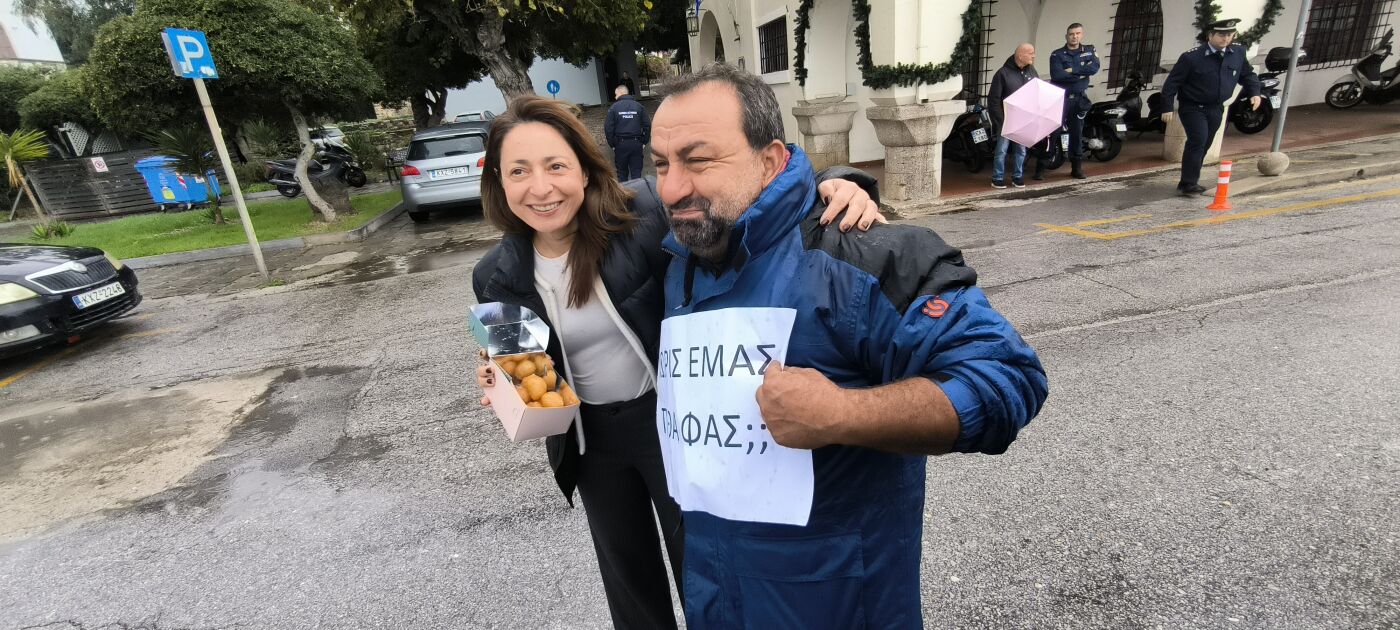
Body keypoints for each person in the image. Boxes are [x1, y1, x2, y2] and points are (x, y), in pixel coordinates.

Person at [649, 64, 1048, 628]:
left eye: (698, 160)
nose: (671, 187)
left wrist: (842, 413)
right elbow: (566, 203)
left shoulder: (862, 256)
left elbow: (1007, 376)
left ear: (770, 161)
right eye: (661, 164)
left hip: (837, 606)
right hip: (714, 599)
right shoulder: (682, 255)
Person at [471, 96, 884, 630]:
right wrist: (502, 383)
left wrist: (837, 181)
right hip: (589, 442)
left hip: (670, 421)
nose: (541, 188)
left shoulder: (640, 213)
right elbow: (528, 375)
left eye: (556, 166)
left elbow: (747, 200)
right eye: (519, 171)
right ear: (499, 182)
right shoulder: (495, 275)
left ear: (584, 169)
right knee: (629, 582)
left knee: (702, 567)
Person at [1160, 18, 1261, 196]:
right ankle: (1188, 184)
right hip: (1193, 107)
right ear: (1210, 35)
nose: (1226, 38)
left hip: (1216, 107)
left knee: (1205, 143)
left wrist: (1254, 92)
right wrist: (1167, 107)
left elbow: (1248, 74)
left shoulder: (1237, 52)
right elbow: (1172, 83)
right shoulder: (1192, 57)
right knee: (1198, 140)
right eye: (1221, 35)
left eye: (1229, 35)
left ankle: (1190, 179)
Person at [1050, 22, 1100, 180]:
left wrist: (1072, 70)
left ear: (1082, 35)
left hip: (1078, 99)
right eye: (1071, 34)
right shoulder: (1057, 54)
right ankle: (1042, 166)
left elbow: (1094, 68)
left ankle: (1076, 168)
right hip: (1060, 99)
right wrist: (1081, 74)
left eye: (1078, 33)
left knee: (1076, 133)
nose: (1074, 36)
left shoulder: (1089, 50)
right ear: (1066, 36)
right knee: (1052, 131)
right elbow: (1057, 75)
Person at [988, 43, 1040, 188]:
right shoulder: (1002, 73)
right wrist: (1001, 121)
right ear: (1020, 56)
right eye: (1030, 53)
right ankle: (997, 178)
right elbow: (993, 100)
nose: (1033, 56)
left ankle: (1017, 176)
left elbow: (1036, 92)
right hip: (1006, 120)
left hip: (1023, 119)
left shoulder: (1032, 71)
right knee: (1001, 150)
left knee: (1021, 150)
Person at [605, 84, 650, 181]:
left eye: (616, 94)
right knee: (636, 173)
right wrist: (644, 141)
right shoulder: (639, 106)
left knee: (622, 173)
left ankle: (624, 191)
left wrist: (612, 144)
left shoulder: (614, 108)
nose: (615, 97)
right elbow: (647, 125)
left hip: (620, 145)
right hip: (636, 144)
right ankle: (637, 190)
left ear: (621, 93)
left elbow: (608, 128)